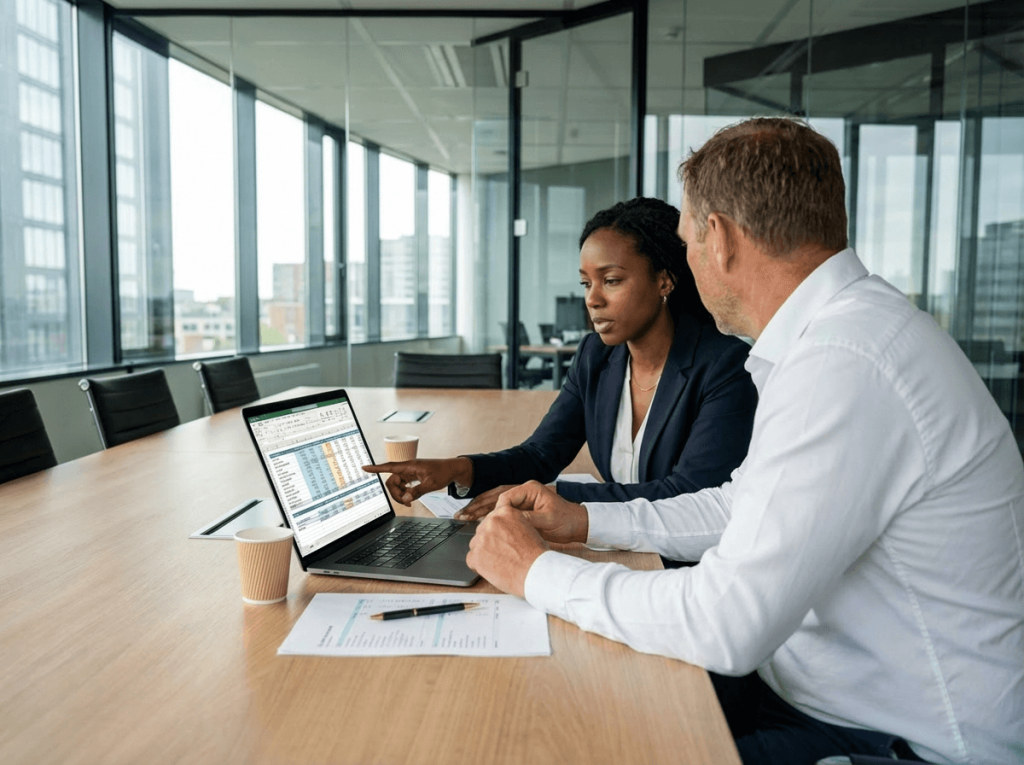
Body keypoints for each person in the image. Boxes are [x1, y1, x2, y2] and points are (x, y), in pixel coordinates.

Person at [463, 118, 1024, 765]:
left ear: (719, 238)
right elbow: (739, 504)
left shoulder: (846, 360)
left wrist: (535, 571)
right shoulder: (844, 334)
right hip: (820, 694)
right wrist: (586, 517)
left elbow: (725, 623)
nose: (689, 262)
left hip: (904, 739)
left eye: (687, 243)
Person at [366, 197, 757, 524]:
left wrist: (551, 497)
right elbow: (542, 454)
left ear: (664, 281)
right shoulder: (597, 356)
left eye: (612, 280)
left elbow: (687, 495)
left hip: (682, 569)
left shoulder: (726, 367)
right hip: (617, 547)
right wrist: (456, 469)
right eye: (587, 283)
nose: (593, 299)